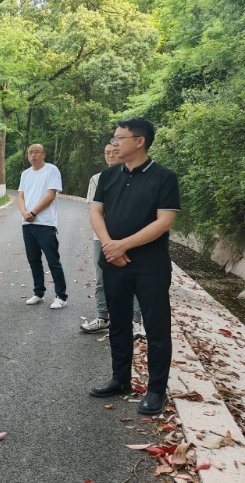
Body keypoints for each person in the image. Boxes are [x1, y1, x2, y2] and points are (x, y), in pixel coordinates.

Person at [89, 117, 180, 415]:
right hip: (114, 263)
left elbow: (164, 222)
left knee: (156, 328)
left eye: (119, 138)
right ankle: (120, 379)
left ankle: (156, 391)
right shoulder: (108, 176)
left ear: (139, 141)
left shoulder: (164, 177)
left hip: (150, 266)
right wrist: (109, 247)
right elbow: (96, 213)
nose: (114, 143)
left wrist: (123, 245)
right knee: (118, 322)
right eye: (114, 138)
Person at [81, 145, 145, 338]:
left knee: (134, 279)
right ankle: (103, 318)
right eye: (106, 153)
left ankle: (135, 322)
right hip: (102, 238)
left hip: (130, 238)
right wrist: (107, 241)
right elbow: (96, 212)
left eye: (114, 152)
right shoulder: (97, 179)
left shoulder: (137, 177)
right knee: (102, 279)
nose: (110, 155)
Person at [18, 144, 68, 309]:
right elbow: (20, 196)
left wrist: (33, 212)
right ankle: (38, 293)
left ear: (43, 155)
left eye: (36, 152)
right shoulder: (25, 174)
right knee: (34, 261)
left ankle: (61, 296)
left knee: (53, 261)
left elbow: (50, 195)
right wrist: (24, 213)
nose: (33, 155)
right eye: (30, 153)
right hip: (27, 224)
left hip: (45, 224)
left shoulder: (51, 170)